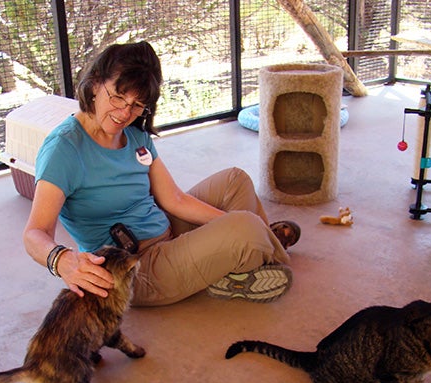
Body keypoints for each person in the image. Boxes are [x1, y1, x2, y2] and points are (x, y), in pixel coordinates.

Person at [23, 41, 301, 306]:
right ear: (95, 84)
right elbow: (35, 232)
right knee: (246, 227)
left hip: (163, 227)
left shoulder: (134, 134)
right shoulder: (64, 148)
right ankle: (259, 251)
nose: (124, 113)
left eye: (136, 105)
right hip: (135, 266)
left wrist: (232, 224)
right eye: (118, 97)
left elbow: (174, 200)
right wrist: (62, 260)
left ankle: (246, 254)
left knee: (235, 180)